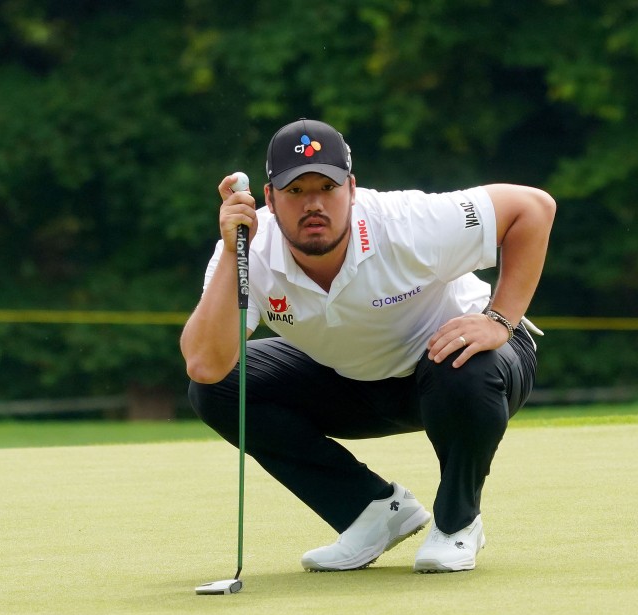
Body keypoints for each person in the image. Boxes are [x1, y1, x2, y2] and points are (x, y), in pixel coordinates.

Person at [181, 119, 554, 573]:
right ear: (270, 198)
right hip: (355, 381)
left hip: (463, 368)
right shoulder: (248, 246)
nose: (313, 203)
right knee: (219, 387)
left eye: (327, 186)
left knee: (464, 364)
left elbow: (533, 208)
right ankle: (371, 513)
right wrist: (232, 253)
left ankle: (458, 524)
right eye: (296, 191)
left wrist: (499, 318)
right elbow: (204, 364)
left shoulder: (405, 222)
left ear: (352, 189)